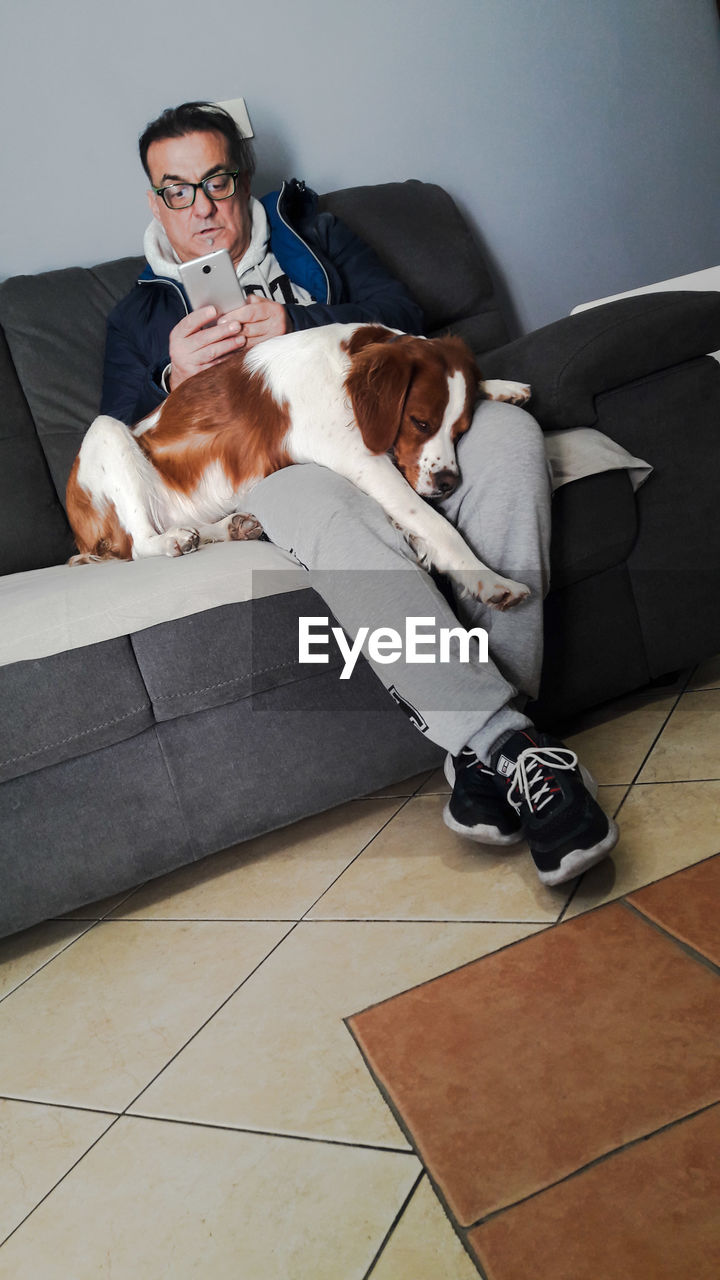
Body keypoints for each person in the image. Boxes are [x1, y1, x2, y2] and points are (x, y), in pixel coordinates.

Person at [102, 100, 619, 888]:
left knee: (513, 440)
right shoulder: (139, 313)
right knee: (323, 506)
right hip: (270, 464)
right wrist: (170, 374)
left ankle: (488, 759)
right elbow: (124, 433)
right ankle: (513, 747)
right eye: (178, 191)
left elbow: (408, 317)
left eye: (217, 180)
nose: (203, 208)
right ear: (154, 201)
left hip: (400, 412)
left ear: (242, 178)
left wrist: (300, 319)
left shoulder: (312, 231)